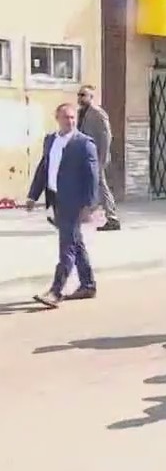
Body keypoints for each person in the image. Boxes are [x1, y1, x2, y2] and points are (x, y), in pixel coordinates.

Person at [25, 103, 99, 308]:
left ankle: (56, 291)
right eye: (66, 117)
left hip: (74, 203)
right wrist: (33, 195)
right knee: (76, 242)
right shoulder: (51, 140)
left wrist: (89, 206)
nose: (70, 121)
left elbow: (93, 177)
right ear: (56, 118)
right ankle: (88, 284)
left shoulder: (84, 144)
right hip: (56, 199)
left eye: (73, 118)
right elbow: (44, 168)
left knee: (67, 246)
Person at [77, 85, 119, 232]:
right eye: (79, 95)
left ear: (91, 97)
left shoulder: (98, 113)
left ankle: (112, 217)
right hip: (84, 156)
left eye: (84, 95)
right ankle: (79, 215)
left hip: (96, 157)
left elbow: (106, 136)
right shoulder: (81, 113)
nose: (80, 98)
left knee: (101, 185)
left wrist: (103, 158)